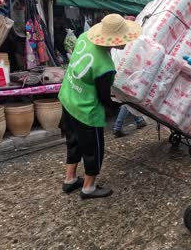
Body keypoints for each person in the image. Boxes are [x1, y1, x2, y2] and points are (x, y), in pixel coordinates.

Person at [58, 14, 142, 199]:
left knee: (73, 141)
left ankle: (69, 179)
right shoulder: (105, 66)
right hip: (85, 110)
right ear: (113, 39)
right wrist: (114, 106)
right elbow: (104, 97)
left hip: (68, 97)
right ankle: (88, 187)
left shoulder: (83, 37)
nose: (127, 41)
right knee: (93, 149)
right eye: (124, 38)